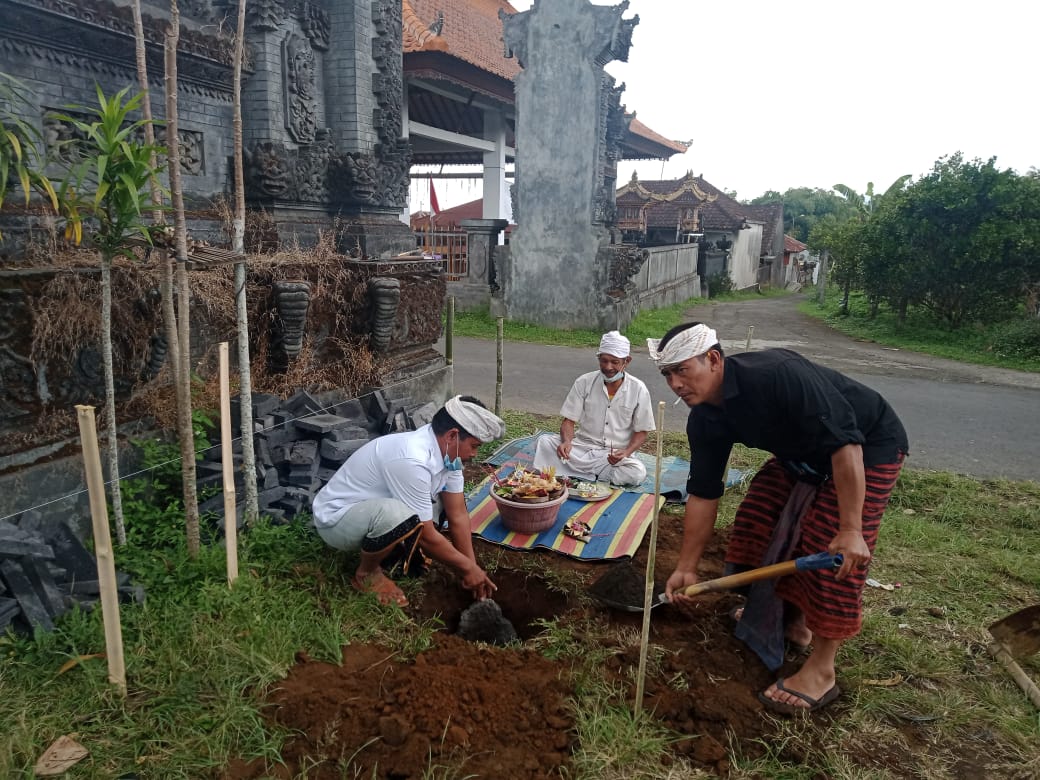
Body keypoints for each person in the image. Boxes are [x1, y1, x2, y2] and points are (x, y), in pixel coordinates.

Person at [650, 322, 908, 715]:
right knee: (759, 511)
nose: (675, 384)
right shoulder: (705, 416)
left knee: (831, 547)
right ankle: (792, 621)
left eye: (682, 369)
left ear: (714, 359)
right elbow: (703, 491)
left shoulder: (778, 375)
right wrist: (686, 567)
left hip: (866, 446)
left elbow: (845, 443)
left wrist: (851, 530)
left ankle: (822, 671)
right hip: (801, 454)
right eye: (667, 374)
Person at [311, 395, 505, 608]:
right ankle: (366, 574)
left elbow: (457, 514)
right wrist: (468, 570)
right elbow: (425, 535)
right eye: (474, 446)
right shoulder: (411, 459)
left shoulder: (450, 458)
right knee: (402, 516)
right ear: (452, 435)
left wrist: (470, 567)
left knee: (425, 510)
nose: (475, 454)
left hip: (371, 510)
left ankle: (389, 548)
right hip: (337, 521)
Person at [533, 330, 656, 487]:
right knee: (543, 442)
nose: (608, 367)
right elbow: (568, 421)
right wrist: (566, 442)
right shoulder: (584, 382)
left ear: (627, 361)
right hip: (581, 447)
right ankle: (593, 475)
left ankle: (570, 474)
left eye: (614, 362)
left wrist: (626, 453)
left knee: (636, 473)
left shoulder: (638, 389)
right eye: (604, 361)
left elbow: (642, 431)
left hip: (614, 455)